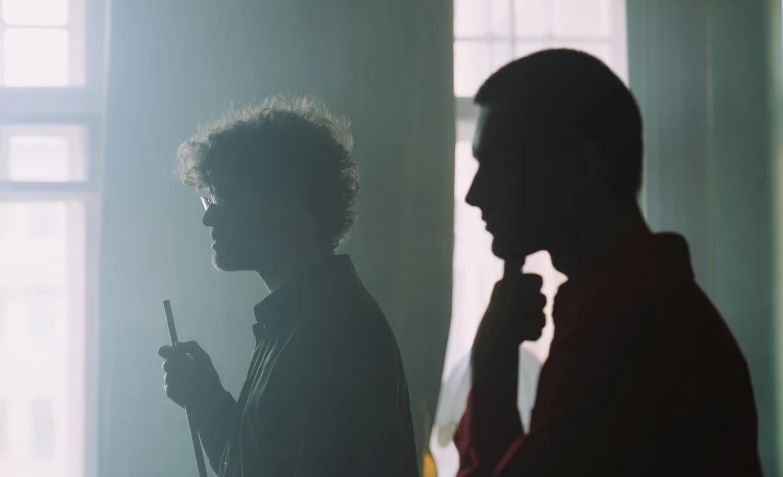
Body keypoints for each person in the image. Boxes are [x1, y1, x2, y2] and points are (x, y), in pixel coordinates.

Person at [455, 49, 762, 477]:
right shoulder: (638, 302)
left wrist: (490, 366)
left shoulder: (627, 322)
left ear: (580, 168)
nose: (474, 194)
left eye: (501, 165)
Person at [158, 95, 419, 477]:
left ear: (286, 200)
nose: (209, 216)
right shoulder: (298, 322)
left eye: (223, 198)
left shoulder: (332, 333)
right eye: (208, 199)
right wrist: (209, 401)